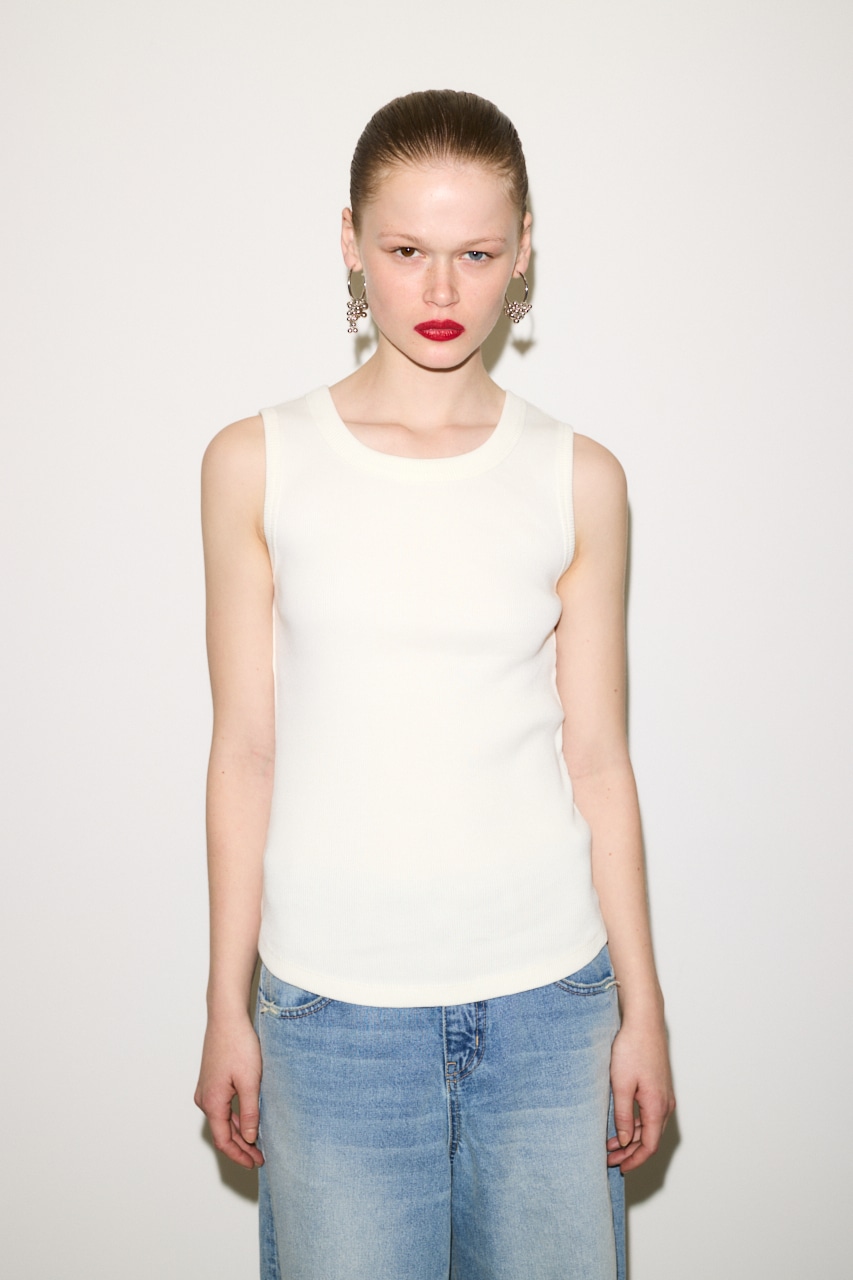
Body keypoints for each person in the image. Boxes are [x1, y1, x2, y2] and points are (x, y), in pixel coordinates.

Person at [194, 89, 675, 1280]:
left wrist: (643, 1009)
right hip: (331, 1014)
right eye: (407, 250)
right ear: (350, 243)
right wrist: (223, 1003)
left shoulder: (579, 476)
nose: (443, 289)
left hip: (551, 1005)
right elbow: (245, 748)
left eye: (478, 252)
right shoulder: (256, 461)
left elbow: (598, 757)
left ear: (524, 250)